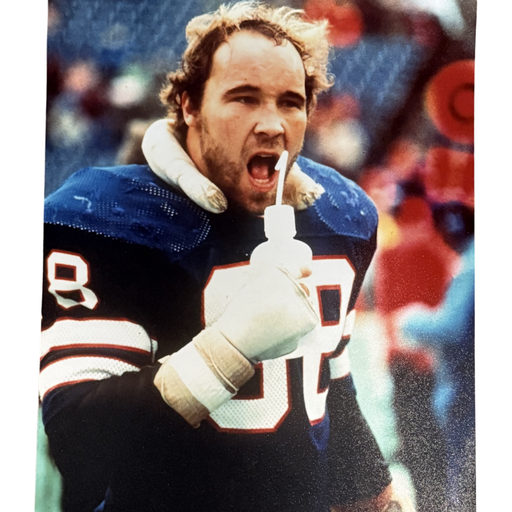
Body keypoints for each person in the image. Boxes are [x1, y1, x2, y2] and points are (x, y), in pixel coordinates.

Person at [40, 3, 414, 511]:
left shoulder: (340, 217)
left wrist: (379, 501)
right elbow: (82, 443)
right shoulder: (103, 217)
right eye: (244, 98)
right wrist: (229, 348)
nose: (272, 124)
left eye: (290, 102)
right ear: (189, 105)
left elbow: (328, 393)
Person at [396, 201, 475, 512]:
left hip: (464, 391)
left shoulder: (472, 265)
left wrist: (411, 318)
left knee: (464, 481)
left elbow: (453, 327)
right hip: (459, 387)